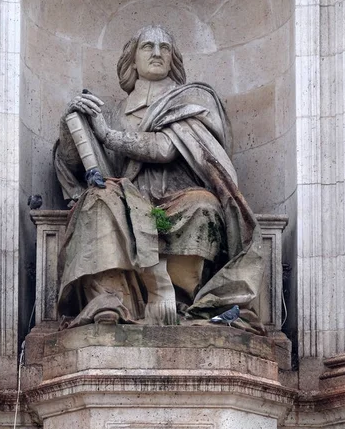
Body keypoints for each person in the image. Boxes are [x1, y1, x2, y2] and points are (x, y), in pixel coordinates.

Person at [54, 25, 265, 333]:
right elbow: (77, 164)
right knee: (97, 201)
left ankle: (184, 302)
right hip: (128, 197)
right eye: (147, 47)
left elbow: (165, 148)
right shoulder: (112, 112)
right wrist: (71, 122)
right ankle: (110, 301)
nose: (156, 53)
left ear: (173, 58)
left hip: (180, 196)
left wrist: (107, 135)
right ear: (133, 59)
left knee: (203, 207)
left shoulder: (190, 100)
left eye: (164, 48)